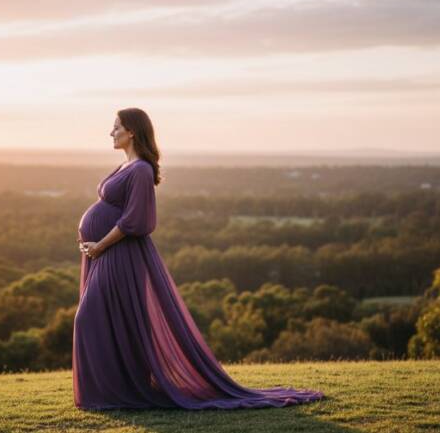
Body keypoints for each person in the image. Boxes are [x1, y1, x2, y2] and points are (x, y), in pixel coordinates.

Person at [73, 107, 325, 410]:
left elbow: (136, 221)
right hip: (106, 254)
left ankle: (116, 393)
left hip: (120, 255)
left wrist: (100, 245)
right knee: (109, 320)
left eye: (116, 127)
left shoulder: (140, 170)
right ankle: (114, 391)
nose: (110, 133)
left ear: (132, 132)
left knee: (88, 317)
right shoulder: (125, 166)